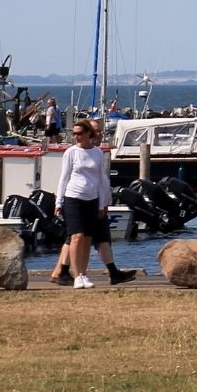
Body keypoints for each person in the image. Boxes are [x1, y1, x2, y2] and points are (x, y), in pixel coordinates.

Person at [52, 118, 136, 288]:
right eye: (74, 134)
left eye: (80, 134)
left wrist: (103, 203)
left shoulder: (97, 152)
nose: (76, 137)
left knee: (87, 239)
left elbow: (100, 179)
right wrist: (59, 201)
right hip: (73, 197)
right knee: (76, 237)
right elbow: (64, 178)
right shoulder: (71, 152)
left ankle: (83, 274)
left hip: (92, 199)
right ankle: (76, 276)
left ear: (88, 134)